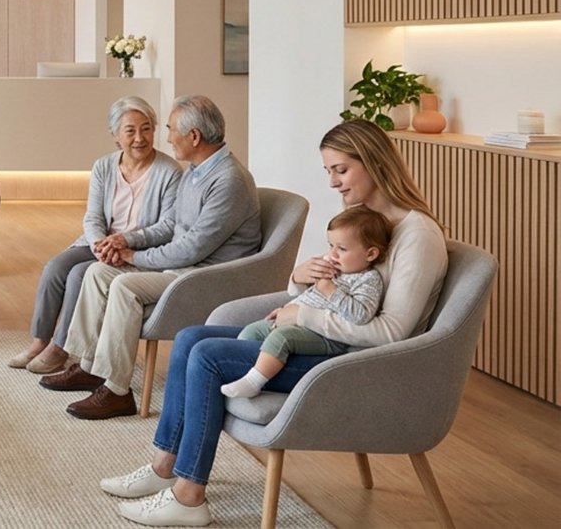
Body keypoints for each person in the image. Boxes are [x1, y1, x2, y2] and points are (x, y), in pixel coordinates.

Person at [100, 119, 449, 527]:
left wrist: (304, 314)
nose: (334, 183)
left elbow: (392, 333)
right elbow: (324, 293)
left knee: (210, 356)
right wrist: (299, 278)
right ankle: (164, 464)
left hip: (356, 363)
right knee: (191, 336)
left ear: (373, 163)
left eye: (341, 170)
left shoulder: (417, 235)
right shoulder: (362, 221)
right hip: (318, 341)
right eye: (328, 172)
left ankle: (188, 494)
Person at [43, 95, 260, 420]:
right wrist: (124, 240)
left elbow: (192, 249)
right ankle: (91, 366)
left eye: (171, 129)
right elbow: (173, 226)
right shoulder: (197, 170)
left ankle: (117, 391)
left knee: (125, 287)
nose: (167, 136)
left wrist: (133, 255)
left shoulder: (228, 181)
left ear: (194, 136)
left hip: (207, 275)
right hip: (184, 266)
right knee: (99, 272)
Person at [9, 96, 182, 373]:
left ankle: (62, 348)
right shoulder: (104, 166)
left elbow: (167, 226)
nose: (140, 138)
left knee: (79, 274)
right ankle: (40, 341)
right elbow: (92, 216)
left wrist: (126, 240)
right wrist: (99, 243)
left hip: (136, 248)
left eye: (146, 128)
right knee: (55, 268)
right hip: (102, 241)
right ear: (115, 136)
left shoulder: (169, 171)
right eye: (130, 131)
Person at [220, 204, 390, 398]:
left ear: (370, 254)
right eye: (330, 245)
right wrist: (288, 308)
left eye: (342, 248)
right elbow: (310, 296)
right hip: (298, 324)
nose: (333, 254)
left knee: (281, 338)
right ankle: (241, 371)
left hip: (327, 337)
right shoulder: (335, 268)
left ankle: (254, 382)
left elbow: (360, 315)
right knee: (252, 330)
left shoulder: (368, 279)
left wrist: (330, 290)